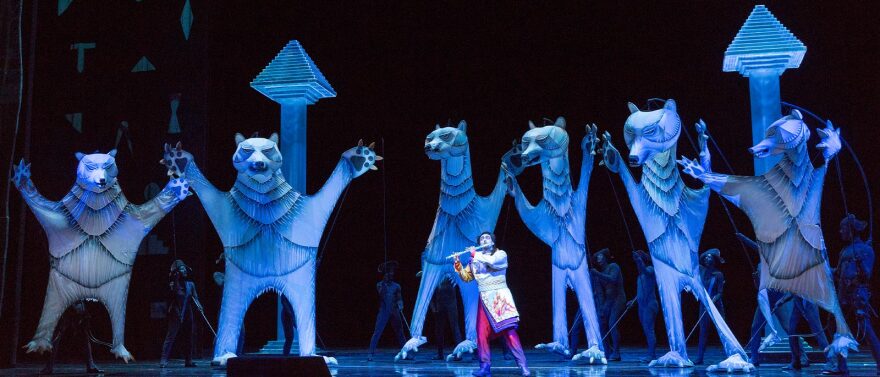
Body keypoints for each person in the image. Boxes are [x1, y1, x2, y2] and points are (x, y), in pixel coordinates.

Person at [454, 232, 529, 376]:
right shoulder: (474, 259)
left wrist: (475, 254)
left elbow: (492, 262)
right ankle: (484, 367)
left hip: (500, 298)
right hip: (485, 300)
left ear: (493, 242)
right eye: (482, 238)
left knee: (509, 332)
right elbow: (467, 277)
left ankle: (523, 365)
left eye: (487, 238)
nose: (484, 240)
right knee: (481, 334)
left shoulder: (501, 254)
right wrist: (458, 264)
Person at [830, 214, 878, 375]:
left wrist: (860, 263)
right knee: (840, 330)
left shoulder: (865, 250)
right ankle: (842, 366)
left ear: (851, 230)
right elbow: (839, 273)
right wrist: (826, 270)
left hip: (858, 295)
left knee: (866, 330)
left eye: (843, 228)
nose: (840, 231)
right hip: (843, 296)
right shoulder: (845, 250)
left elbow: (867, 275)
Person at [40, 301, 101, 375]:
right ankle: (49, 366)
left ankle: (90, 365)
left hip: (77, 307)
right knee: (56, 336)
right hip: (66, 307)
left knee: (84, 336)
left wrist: (84, 311)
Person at [160, 260, 200, 368]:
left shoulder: (190, 284)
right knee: (171, 335)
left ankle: (189, 360)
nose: (185, 270)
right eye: (182, 268)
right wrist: (175, 279)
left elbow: (195, 298)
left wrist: (199, 306)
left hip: (187, 311)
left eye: (185, 268)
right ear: (177, 271)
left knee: (189, 336)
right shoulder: (173, 284)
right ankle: (163, 360)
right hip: (176, 310)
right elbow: (172, 295)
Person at [591, 248, 625, 361]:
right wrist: (601, 307)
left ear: (605, 257)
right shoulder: (599, 273)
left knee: (612, 324)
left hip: (618, 298)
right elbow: (600, 293)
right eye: (597, 258)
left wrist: (597, 274)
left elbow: (613, 279)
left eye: (600, 256)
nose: (598, 259)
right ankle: (607, 350)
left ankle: (616, 352)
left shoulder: (613, 266)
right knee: (601, 324)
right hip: (608, 301)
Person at [368, 261, 407, 361]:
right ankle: (370, 353)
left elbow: (399, 298)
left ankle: (407, 353)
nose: (392, 274)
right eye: (389, 272)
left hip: (395, 311)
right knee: (377, 332)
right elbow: (381, 294)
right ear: (385, 274)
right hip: (384, 311)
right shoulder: (380, 285)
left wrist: (401, 305)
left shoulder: (397, 286)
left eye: (392, 272)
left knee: (400, 332)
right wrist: (384, 284)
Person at [694, 248, 725, 365]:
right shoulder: (701, 271)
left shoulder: (718, 274)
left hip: (716, 306)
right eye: (705, 257)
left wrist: (713, 301)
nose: (706, 258)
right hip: (704, 305)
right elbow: (693, 261)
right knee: (703, 331)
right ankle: (699, 358)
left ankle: (729, 354)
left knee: (722, 331)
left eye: (709, 257)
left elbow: (720, 293)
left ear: (714, 260)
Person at [425, 272, 463, 360]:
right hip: (440, 305)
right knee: (439, 329)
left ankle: (459, 354)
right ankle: (440, 354)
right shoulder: (436, 274)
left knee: (455, 328)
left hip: (451, 304)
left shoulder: (451, 273)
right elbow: (428, 292)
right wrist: (433, 307)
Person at [631, 250, 659, 363]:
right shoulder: (640, 276)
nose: (637, 264)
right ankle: (651, 353)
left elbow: (645, 270)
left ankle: (652, 355)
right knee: (646, 330)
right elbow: (641, 291)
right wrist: (633, 301)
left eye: (639, 261)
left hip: (650, 304)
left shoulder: (651, 269)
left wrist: (638, 259)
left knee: (649, 329)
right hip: (642, 305)